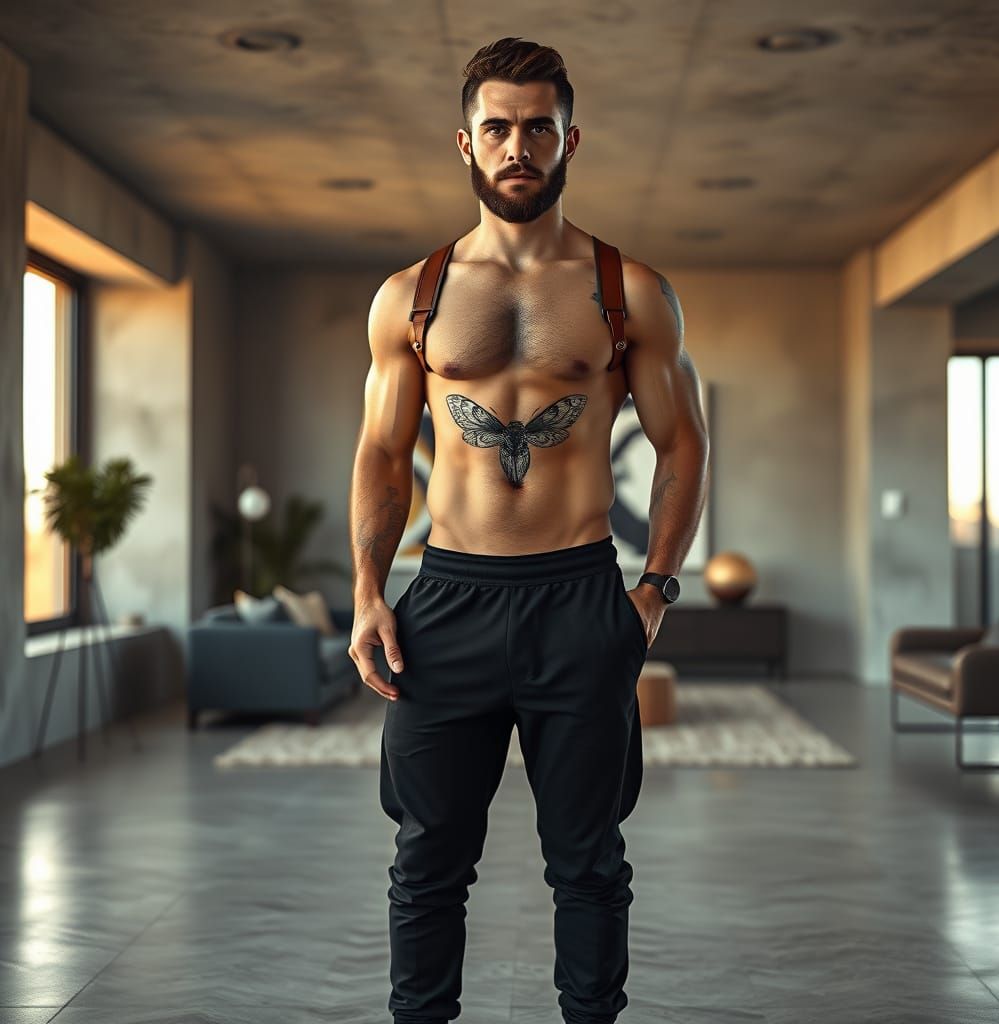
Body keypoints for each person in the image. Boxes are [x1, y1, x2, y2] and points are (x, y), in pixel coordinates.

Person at [349, 35, 709, 1024]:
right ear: (463, 143)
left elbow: (681, 447)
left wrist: (653, 591)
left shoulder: (627, 290)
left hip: (579, 598)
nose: (518, 145)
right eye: (498, 127)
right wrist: (370, 593)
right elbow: (383, 456)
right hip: (449, 598)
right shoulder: (409, 298)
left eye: (537, 128)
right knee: (426, 861)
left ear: (569, 139)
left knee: (588, 862)